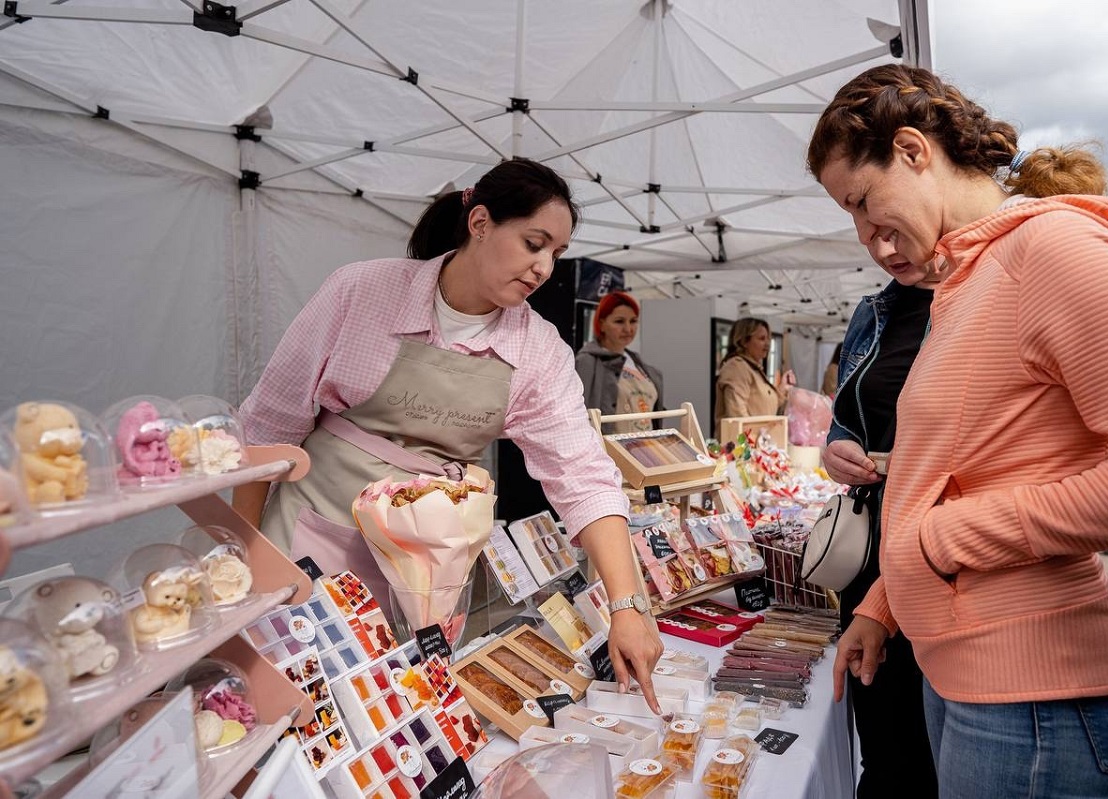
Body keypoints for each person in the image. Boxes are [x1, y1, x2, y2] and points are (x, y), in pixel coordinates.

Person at [807, 63, 1108, 798]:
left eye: (861, 201)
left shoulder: (1048, 252)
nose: (864, 235)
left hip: (1035, 699)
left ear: (915, 150)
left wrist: (948, 540)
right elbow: (954, 474)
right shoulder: (966, 283)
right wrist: (883, 606)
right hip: (980, 683)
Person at [233, 157, 664, 711]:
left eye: (555, 254)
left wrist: (626, 605)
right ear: (480, 223)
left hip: (428, 565)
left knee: (392, 717)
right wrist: (241, 556)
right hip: (315, 531)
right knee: (290, 704)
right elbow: (270, 425)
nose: (543, 268)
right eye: (534, 243)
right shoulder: (362, 291)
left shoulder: (537, 349)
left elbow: (583, 476)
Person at [825, 246, 938, 797]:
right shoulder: (876, 311)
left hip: (945, 546)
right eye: (864, 228)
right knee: (886, 743)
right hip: (875, 545)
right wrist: (837, 447)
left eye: (888, 223)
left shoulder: (985, 301)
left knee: (939, 748)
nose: (881, 246)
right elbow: (846, 419)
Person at [575, 291, 664, 433]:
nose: (628, 329)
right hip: (609, 451)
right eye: (619, 321)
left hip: (645, 449)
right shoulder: (586, 362)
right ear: (601, 324)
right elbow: (578, 414)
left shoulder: (640, 364)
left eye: (633, 321)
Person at [714, 317, 795, 426]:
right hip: (743, 442)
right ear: (743, 342)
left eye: (768, 339)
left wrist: (782, 388)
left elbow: (765, 405)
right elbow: (738, 416)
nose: (767, 344)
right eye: (762, 339)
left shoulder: (751, 368)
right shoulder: (736, 368)